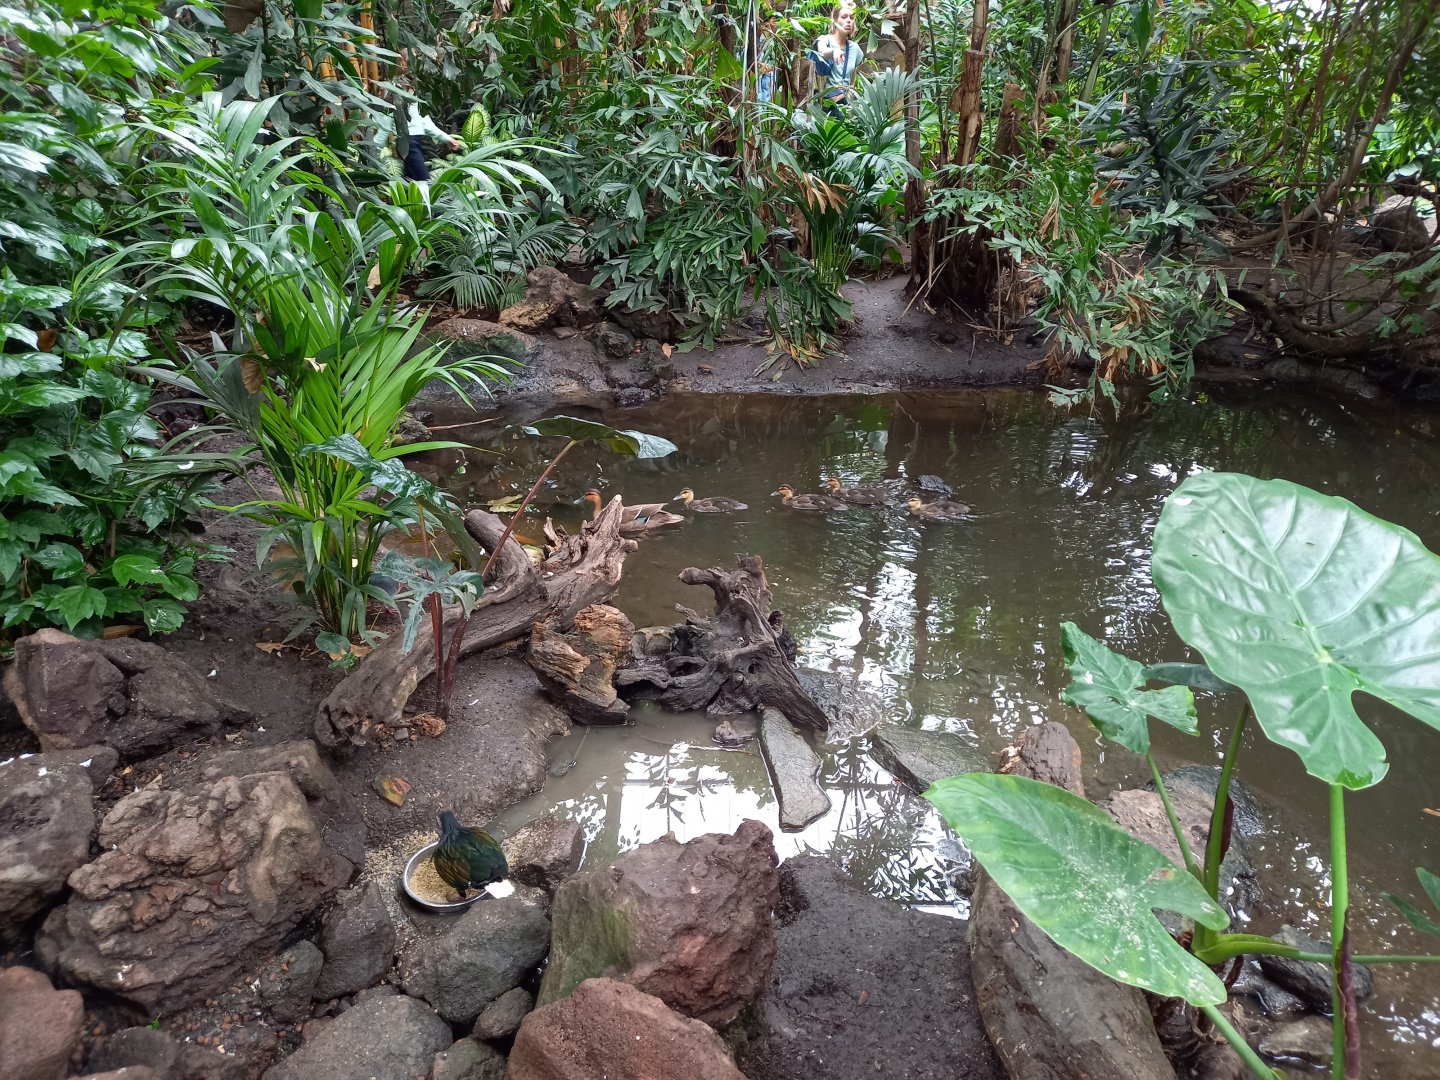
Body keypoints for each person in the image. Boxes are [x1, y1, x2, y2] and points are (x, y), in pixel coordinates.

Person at [811, 2, 863, 112]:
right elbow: (822, 51)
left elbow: (853, 75)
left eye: (852, 17)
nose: (849, 20)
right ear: (835, 20)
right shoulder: (825, 39)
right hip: (823, 103)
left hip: (844, 105)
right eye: (844, 17)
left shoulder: (855, 49)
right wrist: (833, 51)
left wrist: (850, 93)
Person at [399, 99, 461, 182]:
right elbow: (387, 121)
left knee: (411, 178)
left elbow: (426, 123)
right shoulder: (397, 96)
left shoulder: (414, 97)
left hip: (415, 141)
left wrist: (448, 139)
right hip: (407, 141)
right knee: (423, 179)